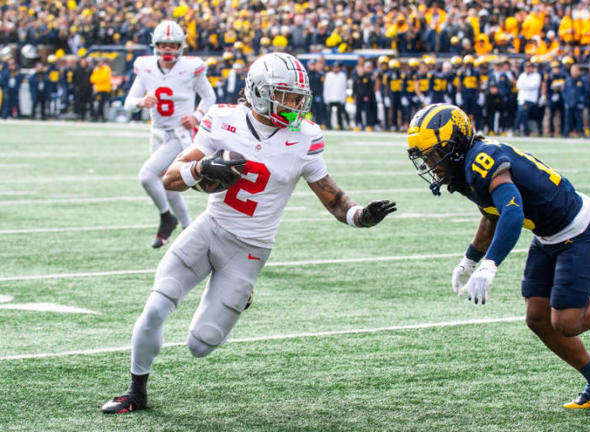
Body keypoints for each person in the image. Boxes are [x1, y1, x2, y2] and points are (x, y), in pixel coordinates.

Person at [101, 52, 397, 414]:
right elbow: (171, 178)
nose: (295, 104)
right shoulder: (224, 119)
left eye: (297, 97)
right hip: (209, 229)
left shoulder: (305, 137)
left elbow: (333, 199)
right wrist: (202, 167)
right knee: (155, 307)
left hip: (251, 249)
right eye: (285, 96)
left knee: (200, 345)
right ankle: (136, 391)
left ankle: (241, 293)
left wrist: (360, 215)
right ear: (259, 92)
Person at [405, 103, 590, 410]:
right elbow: (491, 215)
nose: (430, 162)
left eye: (434, 153)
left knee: (566, 322)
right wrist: (469, 260)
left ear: (455, 144)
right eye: (426, 156)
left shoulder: (482, 160)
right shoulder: (466, 167)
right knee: (537, 318)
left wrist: (490, 265)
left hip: (580, 230)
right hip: (549, 235)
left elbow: (511, 210)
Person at [123, 20, 216, 248]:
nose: (168, 49)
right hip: (157, 132)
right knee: (168, 183)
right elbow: (128, 103)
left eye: (173, 45)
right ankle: (188, 231)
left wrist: (197, 115)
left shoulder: (191, 67)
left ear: (181, 46)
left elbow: (209, 97)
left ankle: (167, 218)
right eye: (164, 44)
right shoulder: (146, 67)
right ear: (155, 45)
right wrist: (140, 101)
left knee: (147, 176)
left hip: (179, 134)